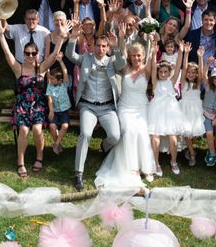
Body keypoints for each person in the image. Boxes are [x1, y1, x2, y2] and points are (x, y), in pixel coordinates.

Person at [0, 19, 62, 179]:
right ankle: (21, 161)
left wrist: (62, 39)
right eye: (27, 53)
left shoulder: (42, 68)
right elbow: (7, 53)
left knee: (38, 129)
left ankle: (39, 157)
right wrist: (1, 36)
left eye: (33, 53)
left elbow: (53, 56)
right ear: (23, 55)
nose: (30, 56)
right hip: (22, 106)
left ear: (37, 55)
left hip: (38, 105)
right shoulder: (19, 68)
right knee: (24, 130)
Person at [65, 21, 125, 191]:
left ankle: (104, 147)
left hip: (107, 107)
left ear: (107, 48)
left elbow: (122, 65)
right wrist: (72, 38)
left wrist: (117, 47)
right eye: (98, 45)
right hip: (88, 106)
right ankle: (78, 173)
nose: (100, 48)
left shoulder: (113, 61)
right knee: (85, 133)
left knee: (115, 136)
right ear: (93, 46)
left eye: (104, 46)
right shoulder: (86, 58)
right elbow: (71, 55)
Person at [94, 38, 156, 189]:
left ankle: (145, 167)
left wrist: (153, 48)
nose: (136, 58)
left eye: (139, 55)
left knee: (141, 132)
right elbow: (119, 53)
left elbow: (153, 61)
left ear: (143, 55)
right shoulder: (125, 68)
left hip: (141, 108)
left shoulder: (147, 69)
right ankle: (131, 167)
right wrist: (119, 40)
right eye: (133, 55)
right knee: (128, 131)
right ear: (130, 56)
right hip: (125, 107)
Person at [147, 40, 187, 177]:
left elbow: (178, 68)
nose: (163, 74)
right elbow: (153, 69)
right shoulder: (155, 82)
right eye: (161, 72)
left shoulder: (172, 81)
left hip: (171, 111)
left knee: (173, 137)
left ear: (169, 73)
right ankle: (156, 163)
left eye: (165, 72)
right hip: (157, 110)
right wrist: (153, 55)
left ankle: (173, 161)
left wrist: (181, 52)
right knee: (155, 136)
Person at [179, 45, 207, 166]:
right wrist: (186, 54)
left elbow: (201, 72)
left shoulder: (198, 83)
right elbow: (184, 68)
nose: (190, 74)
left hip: (195, 108)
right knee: (186, 131)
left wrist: (200, 57)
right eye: (189, 72)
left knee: (195, 132)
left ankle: (188, 148)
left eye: (193, 73)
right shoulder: (183, 82)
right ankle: (192, 153)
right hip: (184, 108)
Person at [46, 58, 71, 155]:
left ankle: (56, 144)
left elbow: (65, 72)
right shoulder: (50, 86)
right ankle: (58, 145)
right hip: (55, 111)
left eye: (52, 79)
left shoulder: (64, 84)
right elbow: (50, 100)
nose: (50, 80)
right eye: (50, 78)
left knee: (65, 126)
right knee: (52, 126)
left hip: (64, 111)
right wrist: (51, 111)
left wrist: (61, 61)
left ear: (60, 80)